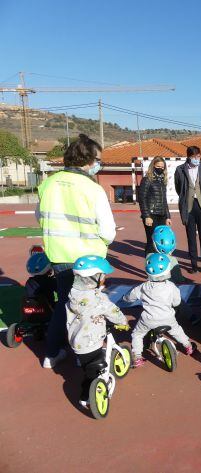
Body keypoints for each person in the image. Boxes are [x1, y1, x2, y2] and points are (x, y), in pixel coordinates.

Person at [37, 134, 116, 369]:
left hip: (59, 255)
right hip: (89, 259)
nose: (99, 165)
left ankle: (51, 354)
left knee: (64, 304)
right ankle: (88, 355)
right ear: (89, 160)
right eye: (98, 160)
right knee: (90, 305)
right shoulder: (92, 189)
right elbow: (108, 232)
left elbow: (40, 217)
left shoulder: (48, 184)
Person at [65, 256, 129, 408]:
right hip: (91, 342)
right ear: (94, 277)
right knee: (95, 370)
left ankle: (89, 387)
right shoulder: (99, 299)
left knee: (87, 366)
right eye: (102, 276)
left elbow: (87, 304)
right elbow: (112, 311)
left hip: (77, 340)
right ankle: (86, 396)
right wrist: (123, 322)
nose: (104, 279)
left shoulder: (73, 293)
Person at [124, 253, 196, 368]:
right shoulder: (171, 286)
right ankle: (188, 346)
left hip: (148, 319)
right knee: (177, 330)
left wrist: (125, 298)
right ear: (168, 271)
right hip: (168, 318)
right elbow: (177, 302)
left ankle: (137, 356)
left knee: (137, 334)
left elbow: (130, 297)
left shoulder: (143, 287)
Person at [174, 146, 201, 273]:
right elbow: (178, 187)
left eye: (198, 156)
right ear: (188, 157)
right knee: (191, 237)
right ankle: (193, 265)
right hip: (188, 207)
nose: (196, 159)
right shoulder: (180, 169)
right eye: (193, 157)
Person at [138, 156, 172, 256]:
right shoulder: (147, 179)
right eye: (158, 166)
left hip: (162, 215)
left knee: (161, 241)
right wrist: (146, 216)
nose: (160, 169)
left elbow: (164, 200)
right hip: (151, 216)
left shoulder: (162, 181)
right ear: (153, 166)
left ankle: (160, 263)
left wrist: (168, 216)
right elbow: (142, 199)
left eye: (162, 167)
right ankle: (150, 265)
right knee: (152, 241)